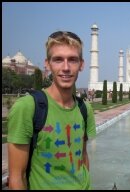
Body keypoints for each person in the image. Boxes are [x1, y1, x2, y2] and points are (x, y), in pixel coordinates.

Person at [7, 31, 96, 190]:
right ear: (47, 64)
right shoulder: (27, 108)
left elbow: (82, 156)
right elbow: (16, 177)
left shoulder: (84, 108)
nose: (66, 67)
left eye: (73, 60)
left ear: (81, 64)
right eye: (58, 60)